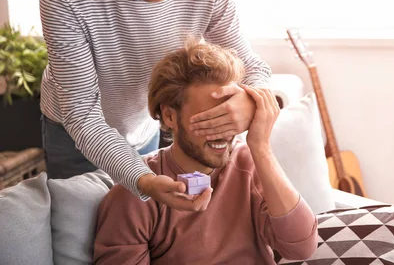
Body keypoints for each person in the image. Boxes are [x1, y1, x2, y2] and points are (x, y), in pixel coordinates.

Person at [39, 0, 271, 211]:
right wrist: (142, 178)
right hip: (74, 135)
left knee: (143, 225)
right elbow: (83, 113)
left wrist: (253, 101)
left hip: (143, 129)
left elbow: (253, 67)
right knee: (81, 238)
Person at [93, 40, 317, 264]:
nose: (223, 134)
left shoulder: (250, 164)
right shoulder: (136, 192)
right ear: (170, 116)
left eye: (228, 117)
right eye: (210, 120)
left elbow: (302, 248)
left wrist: (261, 148)